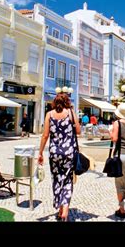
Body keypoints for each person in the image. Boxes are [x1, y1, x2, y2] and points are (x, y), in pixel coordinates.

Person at [38, 93, 81, 222]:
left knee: (57, 179)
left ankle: (60, 209)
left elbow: (45, 135)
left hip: (54, 153)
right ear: (67, 102)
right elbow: (78, 131)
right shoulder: (71, 113)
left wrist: (40, 153)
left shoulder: (49, 114)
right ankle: (65, 210)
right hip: (69, 152)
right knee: (67, 180)